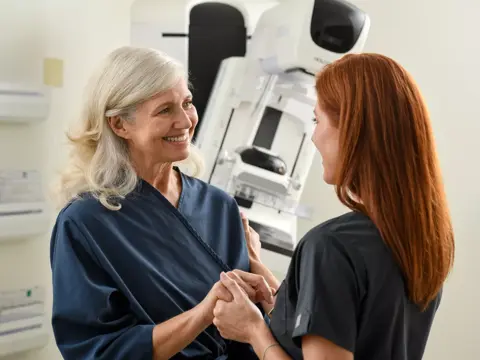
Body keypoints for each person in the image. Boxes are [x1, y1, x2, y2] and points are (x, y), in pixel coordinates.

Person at [211, 53, 455, 360]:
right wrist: (278, 295)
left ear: (352, 129)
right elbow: (354, 328)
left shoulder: (331, 246)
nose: (313, 137)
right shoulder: (420, 242)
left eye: (317, 120)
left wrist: (253, 330)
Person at [49, 46, 273, 360]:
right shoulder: (86, 222)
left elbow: (247, 332)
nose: (185, 120)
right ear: (120, 125)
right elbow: (97, 350)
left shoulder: (219, 206)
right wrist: (202, 314)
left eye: (187, 103)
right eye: (164, 110)